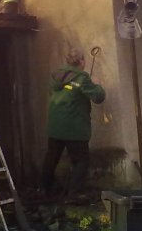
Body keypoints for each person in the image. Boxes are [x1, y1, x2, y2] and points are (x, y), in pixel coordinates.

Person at [40, 48, 105, 198]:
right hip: (74, 127)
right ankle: (74, 193)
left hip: (55, 126)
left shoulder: (55, 75)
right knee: (81, 160)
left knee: (52, 157)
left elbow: (57, 92)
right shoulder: (82, 78)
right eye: (84, 60)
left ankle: (44, 189)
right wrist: (99, 87)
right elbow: (97, 97)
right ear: (81, 61)